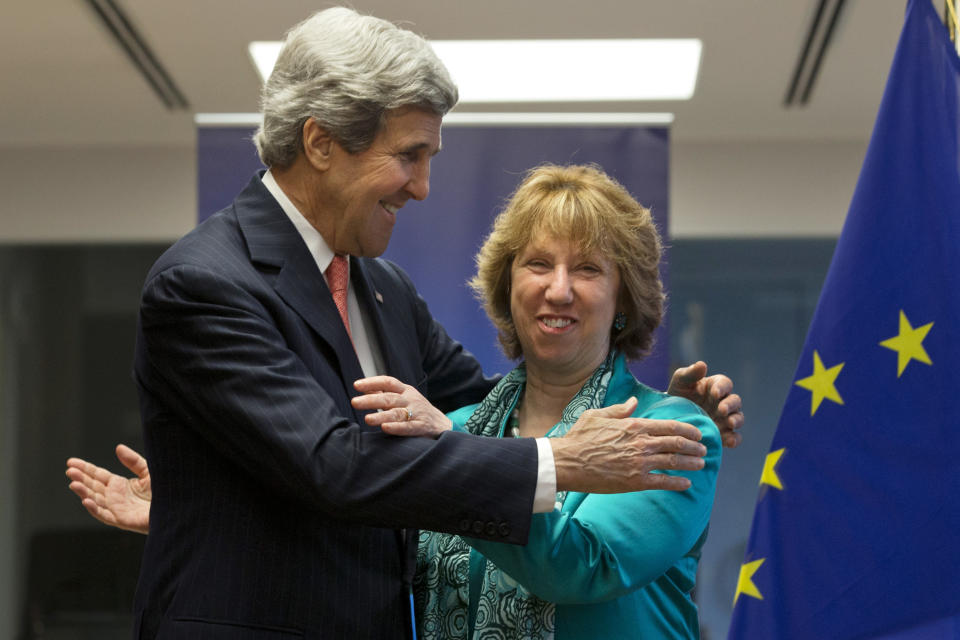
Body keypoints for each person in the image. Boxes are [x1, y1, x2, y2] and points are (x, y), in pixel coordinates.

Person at [65, 8, 742, 639]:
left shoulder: (380, 286)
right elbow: (338, 465)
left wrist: (683, 411)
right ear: (322, 143)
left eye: (588, 270)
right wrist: (203, 510)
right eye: (409, 155)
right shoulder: (207, 282)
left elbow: (487, 418)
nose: (421, 186)